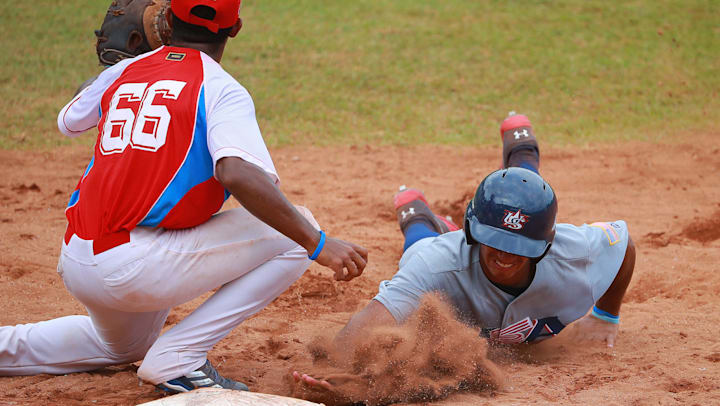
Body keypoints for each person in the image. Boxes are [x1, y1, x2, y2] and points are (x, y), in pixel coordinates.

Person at [0, 0, 367, 395]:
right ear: (236, 28)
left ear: (168, 19)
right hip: (132, 268)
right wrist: (318, 244)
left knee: (122, 345)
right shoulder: (223, 90)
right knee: (300, 230)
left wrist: (125, 66)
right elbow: (238, 173)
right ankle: (179, 359)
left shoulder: (124, 71)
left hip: (78, 257)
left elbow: (69, 120)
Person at [293, 112, 635, 390]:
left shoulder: (574, 253)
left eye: (519, 247)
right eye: (495, 241)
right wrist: (332, 371)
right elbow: (366, 326)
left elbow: (624, 244)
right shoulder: (437, 264)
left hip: (518, 227)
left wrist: (607, 315)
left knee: (524, 198)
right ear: (471, 231)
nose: (505, 254)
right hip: (440, 252)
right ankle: (416, 215)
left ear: (545, 244)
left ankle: (524, 151)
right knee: (419, 245)